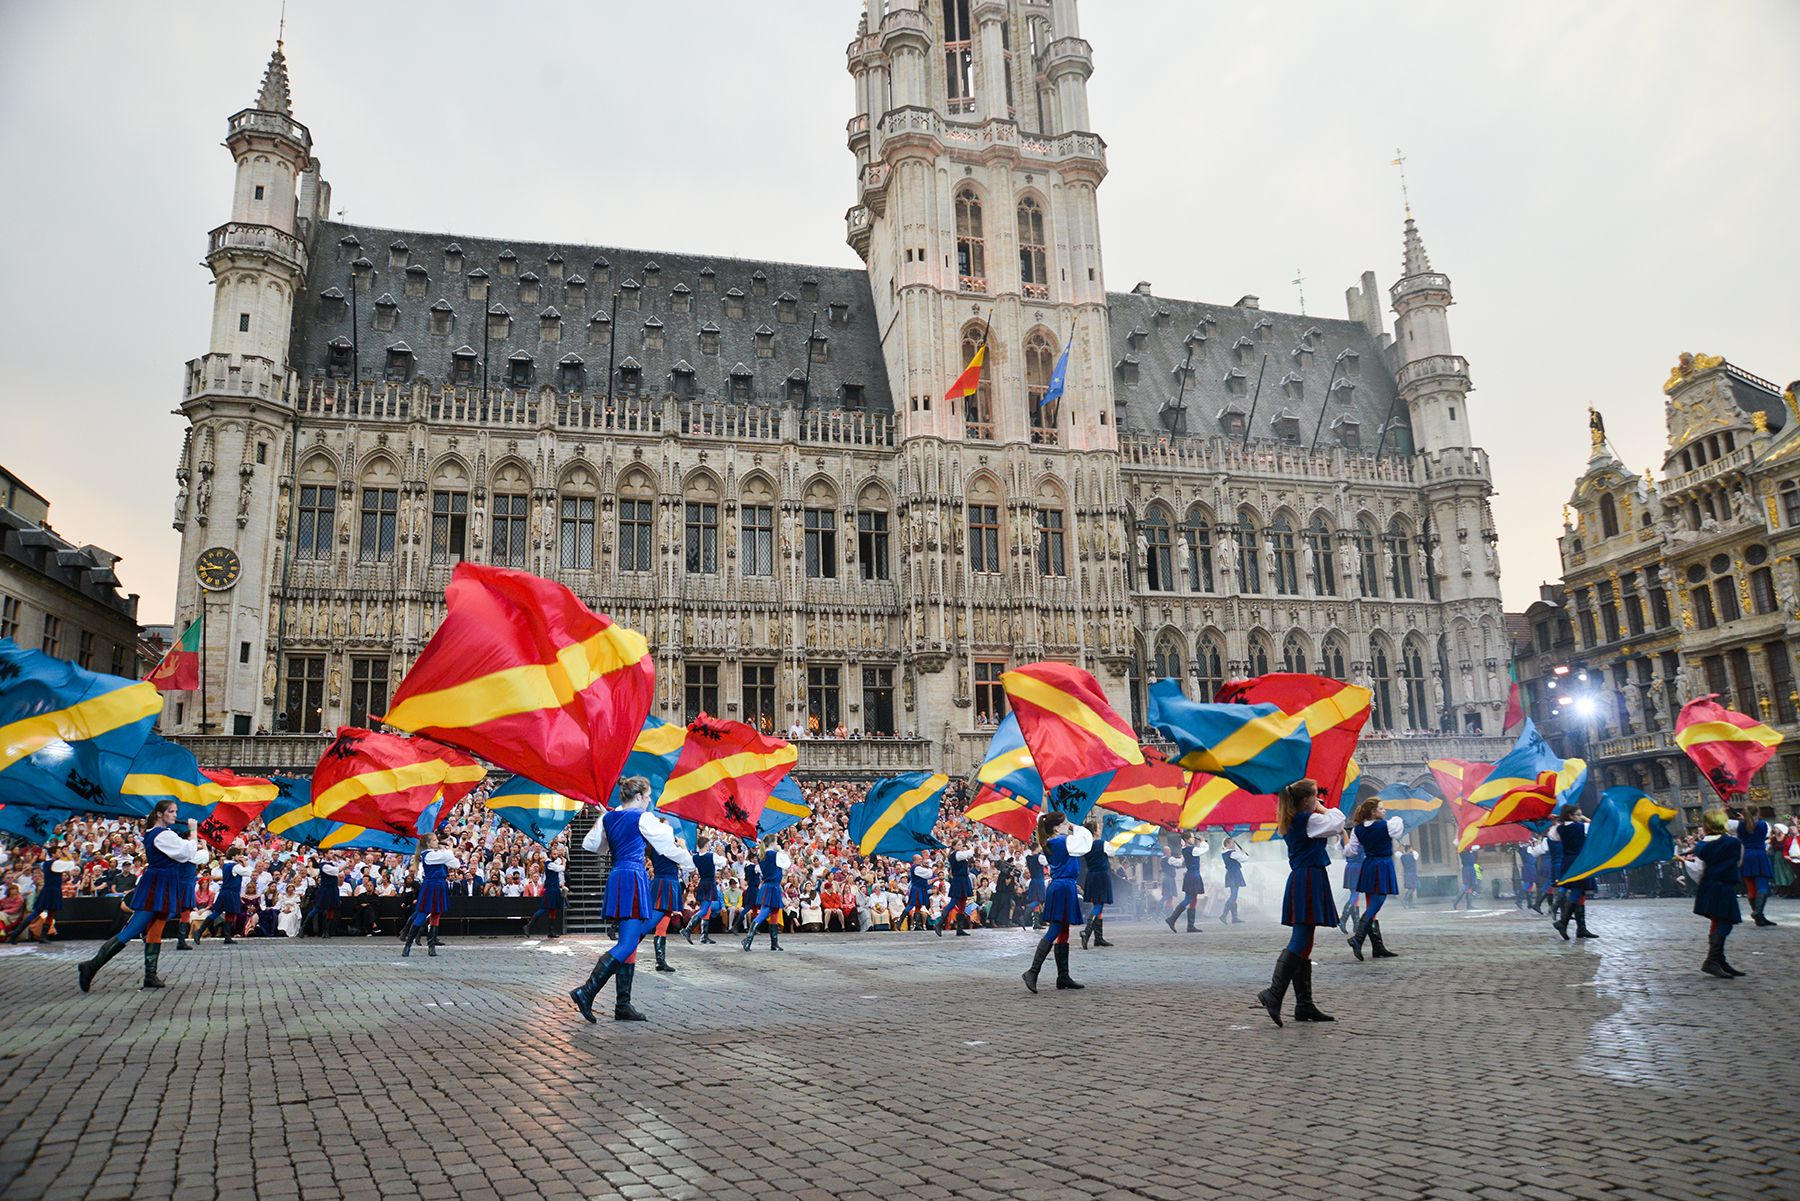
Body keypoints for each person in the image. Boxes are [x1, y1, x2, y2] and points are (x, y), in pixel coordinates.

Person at [569, 776, 691, 1022]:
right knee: (627, 943)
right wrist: (690, 861)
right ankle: (587, 991)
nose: (648, 802)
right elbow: (666, 844)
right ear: (638, 797)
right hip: (633, 876)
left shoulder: (609, 816)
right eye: (647, 797)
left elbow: (591, 845)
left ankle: (622, 1005)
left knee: (631, 939)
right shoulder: (642, 817)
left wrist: (611, 824)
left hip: (617, 875)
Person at [77, 802, 203, 992]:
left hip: (163, 881)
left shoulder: (158, 832)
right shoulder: (163, 834)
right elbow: (187, 853)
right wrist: (193, 832)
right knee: (134, 928)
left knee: (157, 927)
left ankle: (150, 975)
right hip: (158, 883)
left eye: (176, 812)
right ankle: (92, 965)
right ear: (160, 814)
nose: (175, 815)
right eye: (171, 811)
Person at [1254, 779, 1341, 1027]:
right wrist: (1322, 809)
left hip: (1307, 876)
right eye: (1315, 796)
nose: (1319, 799)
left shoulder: (1299, 819)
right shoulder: (1309, 820)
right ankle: (1273, 993)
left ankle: (1304, 1004)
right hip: (1308, 877)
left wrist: (1317, 806)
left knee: (1306, 938)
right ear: (1306, 800)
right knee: (1301, 938)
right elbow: (1338, 822)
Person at [1021, 811, 1089, 994]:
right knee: (1055, 929)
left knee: (1064, 930)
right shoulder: (1062, 841)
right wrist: (1076, 826)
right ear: (1056, 828)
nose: (1068, 825)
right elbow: (1086, 841)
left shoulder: (1055, 842)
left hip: (1063, 886)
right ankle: (1032, 972)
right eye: (1065, 823)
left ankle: (1063, 976)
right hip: (1063, 886)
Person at [1687, 809, 1745, 978]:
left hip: (1708, 885)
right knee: (1725, 921)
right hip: (1724, 885)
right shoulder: (1734, 843)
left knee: (1718, 921)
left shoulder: (1702, 846)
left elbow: (1698, 869)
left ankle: (1719, 960)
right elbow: (1739, 862)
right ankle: (1712, 960)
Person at [1345, 798, 1403, 961]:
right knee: (1375, 905)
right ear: (1373, 811)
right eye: (1381, 808)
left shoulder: (1358, 830)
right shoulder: (1386, 825)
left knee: (1373, 906)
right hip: (1382, 865)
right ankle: (1357, 939)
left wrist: (1344, 836)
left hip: (1369, 865)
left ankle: (1377, 947)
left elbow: (1351, 851)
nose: (1384, 811)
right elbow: (1398, 828)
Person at [401, 835, 460, 958]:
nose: (437, 841)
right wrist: (448, 849)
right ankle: (408, 945)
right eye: (434, 840)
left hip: (440, 884)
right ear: (428, 843)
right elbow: (449, 857)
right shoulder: (428, 855)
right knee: (422, 914)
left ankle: (431, 946)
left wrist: (445, 851)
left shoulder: (437, 854)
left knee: (436, 914)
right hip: (431, 885)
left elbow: (456, 864)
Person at [1550, 804, 1598, 940]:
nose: (1579, 817)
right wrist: (1584, 818)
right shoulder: (1581, 827)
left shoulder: (1559, 829)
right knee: (1577, 890)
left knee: (1580, 891)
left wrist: (1557, 823)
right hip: (1579, 861)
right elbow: (1595, 826)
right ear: (1571, 815)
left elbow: (1552, 836)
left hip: (1568, 861)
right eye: (1577, 814)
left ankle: (1581, 928)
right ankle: (1563, 922)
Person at [7, 851, 76, 944]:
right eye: (58, 852)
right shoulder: (55, 863)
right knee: (46, 913)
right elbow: (72, 864)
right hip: (53, 890)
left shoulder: (46, 863)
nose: (60, 853)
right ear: (53, 854)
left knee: (43, 912)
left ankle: (17, 934)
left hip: (48, 890)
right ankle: (35, 936)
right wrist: (67, 854)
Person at [648, 828, 689, 974]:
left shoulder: (654, 847)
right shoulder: (669, 848)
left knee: (661, 924)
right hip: (667, 884)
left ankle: (660, 961)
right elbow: (689, 865)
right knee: (654, 922)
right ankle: (628, 949)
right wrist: (683, 846)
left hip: (659, 883)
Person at [742, 834, 791, 952]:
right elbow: (787, 864)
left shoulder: (761, 855)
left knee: (774, 911)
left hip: (768, 885)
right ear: (773, 843)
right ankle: (748, 939)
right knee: (764, 912)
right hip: (772, 886)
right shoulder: (776, 855)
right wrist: (781, 851)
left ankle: (774, 944)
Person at [1731, 808, 1778, 927]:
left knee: (1751, 887)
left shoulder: (1740, 826)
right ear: (1757, 813)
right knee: (1762, 886)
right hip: (1759, 855)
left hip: (1746, 855)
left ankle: (1759, 918)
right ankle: (1758, 912)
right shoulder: (1762, 824)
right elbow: (1763, 833)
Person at [682, 834, 725, 944]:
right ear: (706, 845)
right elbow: (723, 862)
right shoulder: (712, 856)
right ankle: (688, 929)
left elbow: (689, 868)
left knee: (706, 908)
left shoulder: (695, 857)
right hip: (709, 883)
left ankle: (704, 936)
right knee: (705, 909)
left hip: (702, 883)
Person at [1079, 820, 1116, 949]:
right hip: (1101, 875)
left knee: (1097, 905)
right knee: (1099, 905)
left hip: (1091, 875)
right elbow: (1112, 852)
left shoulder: (1085, 846)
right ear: (1095, 831)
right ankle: (1087, 932)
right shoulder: (1102, 844)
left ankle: (1098, 938)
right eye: (1098, 828)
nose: (1099, 830)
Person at [934, 838, 976, 937]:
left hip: (963, 879)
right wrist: (970, 846)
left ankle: (959, 929)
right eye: (959, 844)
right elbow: (970, 853)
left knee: (962, 903)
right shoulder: (957, 854)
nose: (961, 846)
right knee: (953, 902)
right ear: (954, 846)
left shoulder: (958, 854)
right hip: (959, 880)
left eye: (961, 844)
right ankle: (939, 924)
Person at [1165, 834, 1204, 933]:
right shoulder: (1192, 849)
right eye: (1191, 837)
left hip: (1191, 875)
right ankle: (1172, 919)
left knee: (1193, 899)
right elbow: (1205, 849)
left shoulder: (1187, 849)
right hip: (1193, 876)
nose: (1193, 838)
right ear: (1187, 839)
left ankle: (1190, 926)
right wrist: (1203, 841)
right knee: (1189, 899)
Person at [524, 852, 565, 938]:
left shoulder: (553, 862)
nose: (555, 855)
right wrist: (564, 861)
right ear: (550, 855)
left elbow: (558, 863)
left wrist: (560, 858)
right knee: (544, 908)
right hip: (550, 890)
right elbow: (561, 868)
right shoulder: (549, 864)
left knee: (553, 910)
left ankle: (551, 931)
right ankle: (528, 926)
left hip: (555, 889)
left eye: (556, 854)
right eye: (554, 854)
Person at [1338, 829, 1364, 933]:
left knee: (1354, 895)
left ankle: (1356, 925)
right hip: (1358, 867)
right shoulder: (1360, 840)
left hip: (1349, 867)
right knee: (1355, 894)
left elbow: (1339, 848)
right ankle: (1343, 919)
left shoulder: (1342, 841)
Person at [901, 853, 932, 932]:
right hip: (916, 889)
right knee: (911, 905)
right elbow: (929, 874)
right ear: (915, 860)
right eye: (919, 859)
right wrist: (929, 868)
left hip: (920, 888)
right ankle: (900, 921)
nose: (921, 860)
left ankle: (917, 924)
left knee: (919, 905)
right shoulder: (916, 868)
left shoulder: (918, 867)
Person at [1218, 837, 1247, 924]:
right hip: (1234, 874)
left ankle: (1234, 918)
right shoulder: (1232, 853)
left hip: (1231, 874)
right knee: (1233, 896)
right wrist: (1244, 853)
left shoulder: (1225, 853)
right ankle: (1224, 915)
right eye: (1232, 843)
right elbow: (1244, 859)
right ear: (1227, 844)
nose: (1234, 845)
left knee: (1234, 895)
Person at [1450, 844, 1479, 910]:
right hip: (1467, 868)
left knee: (1472, 885)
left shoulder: (1469, 850)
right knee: (1466, 885)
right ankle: (1455, 901)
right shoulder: (1462, 850)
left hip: (1471, 868)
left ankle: (1469, 905)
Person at [1400, 842, 1420, 909]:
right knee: (1412, 888)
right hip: (1412, 874)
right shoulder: (1413, 855)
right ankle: (1405, 899)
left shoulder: (1402, 856)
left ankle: (1410, 904)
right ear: (1409, 849)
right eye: (1411, 848)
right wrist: (1410, 849)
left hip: (1406, 874)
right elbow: (1416, 853)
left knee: (1410, 888)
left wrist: (1402, 846)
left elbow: (1396, 852)